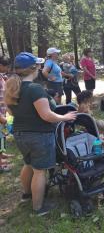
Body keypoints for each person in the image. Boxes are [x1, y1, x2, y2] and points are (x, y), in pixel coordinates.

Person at [5, 52, 76, 215]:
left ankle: (26, 194)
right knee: (40, 171)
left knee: (28, 164)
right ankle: (39, 207)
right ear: (34, 68)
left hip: (20, 134)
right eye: (38, 65)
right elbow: (47, 115)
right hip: (39, 135)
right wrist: (65, 117)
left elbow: (12, 112)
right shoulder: (35, 89)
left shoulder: (13, 87)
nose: (40, 67)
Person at [0, 56, 13, 172]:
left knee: (1, 137)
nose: (8, 68)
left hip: (2, 113)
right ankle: (1, 166)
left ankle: (2, 156)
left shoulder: (1, 76)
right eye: (6, 66)